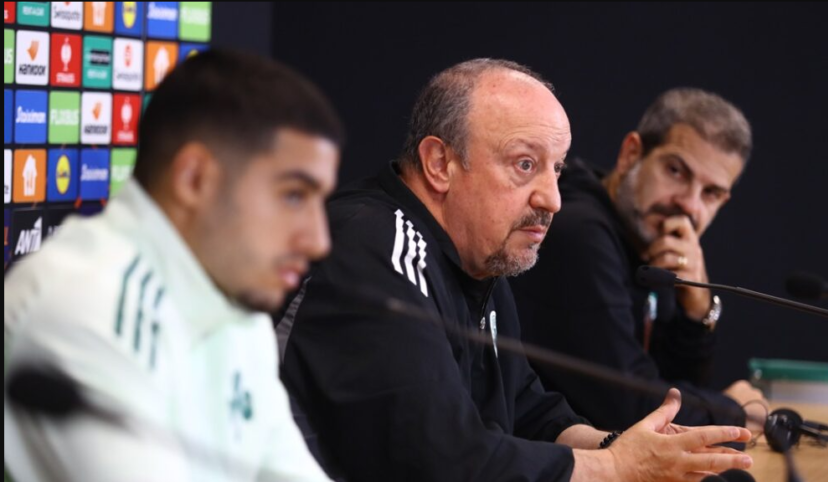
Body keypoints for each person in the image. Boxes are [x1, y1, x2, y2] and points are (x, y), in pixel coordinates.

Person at [277, 60, 752, 482]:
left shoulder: (484, 257)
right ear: (440, 163)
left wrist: (632, 449)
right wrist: (617, 467)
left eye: (556, 169)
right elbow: (442, 460)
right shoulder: (376, 245)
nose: (553, 199)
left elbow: (528, 411)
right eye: (525, 164)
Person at [4, 50, 343, 482]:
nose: (318, 239)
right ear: (194, 179)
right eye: (294, 196)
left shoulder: (233, 297)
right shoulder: (86, 304)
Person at [509, 88, 768, 433]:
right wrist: (733, 410)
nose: (690, 205)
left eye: (711, 193)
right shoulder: (579, 232)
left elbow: (672, 383)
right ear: (631, 153)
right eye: (676, 171)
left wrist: (697, 310)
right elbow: (630, 410)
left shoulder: (651, 245)